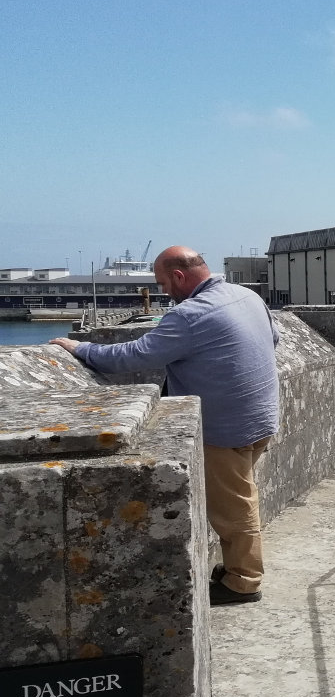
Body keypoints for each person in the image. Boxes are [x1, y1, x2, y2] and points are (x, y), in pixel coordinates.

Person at [50, 246, 279, 607]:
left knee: (234, 507)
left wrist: (80, 348)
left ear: (178, 276)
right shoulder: (247, 296)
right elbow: (275, 339)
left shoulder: (190, 315)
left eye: (162, 284)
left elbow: (133, 355)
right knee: (237, 497)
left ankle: (243, 582)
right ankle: (236, 567)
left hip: (224, 427)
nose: (163, 292)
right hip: (260, 415)